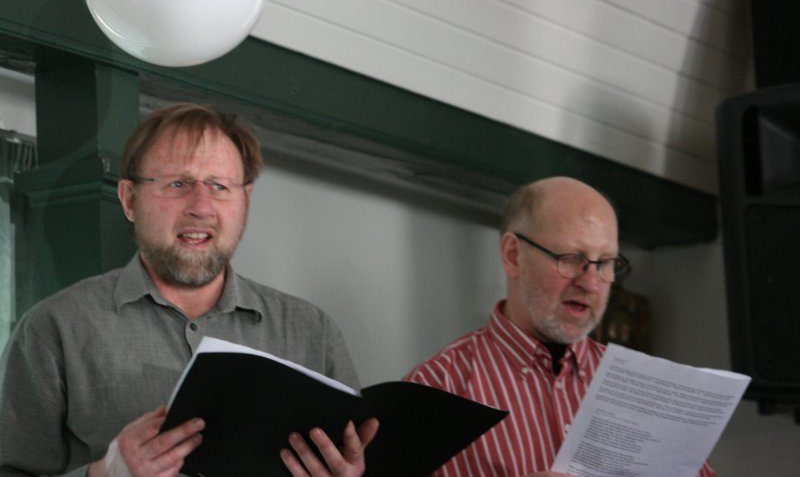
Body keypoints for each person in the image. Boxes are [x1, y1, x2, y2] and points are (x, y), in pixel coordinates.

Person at [0, 103, 379, 477]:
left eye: (219, 186)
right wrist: (105, 474)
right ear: (129, 200)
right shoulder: (54, 329)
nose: (202, 207)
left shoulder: (313, 332)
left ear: (245, 201)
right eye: (178, 184)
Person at [403, 176, 715, 477]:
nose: (591, 283)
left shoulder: (647, 393)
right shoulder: (433, 389)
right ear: (513, 255)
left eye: (605, 262)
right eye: (570, 257)